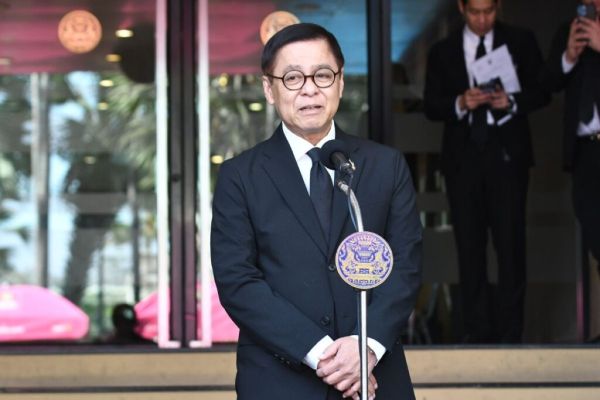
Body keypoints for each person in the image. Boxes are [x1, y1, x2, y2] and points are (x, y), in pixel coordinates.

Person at [211, 23, 422, 400]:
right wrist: (328, 357)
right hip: (279, 381)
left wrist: (366, 348)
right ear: (269, 89)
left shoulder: (385, 166)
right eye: (292, 78)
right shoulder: (240, 176)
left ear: (340, 82)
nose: (309, 89)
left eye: (322, 75)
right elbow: (238, 281)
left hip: (375, 378)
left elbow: (406, 266)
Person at [423, 0, 549, 343]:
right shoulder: (443, 50)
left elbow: (543, 90)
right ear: (462, 8)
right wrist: (461, 102)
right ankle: (476, 332)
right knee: (469, 246)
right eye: (475, 12)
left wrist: (512, 101)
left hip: (508, 157)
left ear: (498, 8)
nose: (482, 19)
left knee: (511, 246)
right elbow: (431, 104)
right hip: (463, 160)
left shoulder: (520, 41)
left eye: (489, 11)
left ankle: (511, 334)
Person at [540, 0, 600, 268]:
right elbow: (548, 82)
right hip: (584, 149)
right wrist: (569, 57)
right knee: (593, 228)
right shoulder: (569, 31)